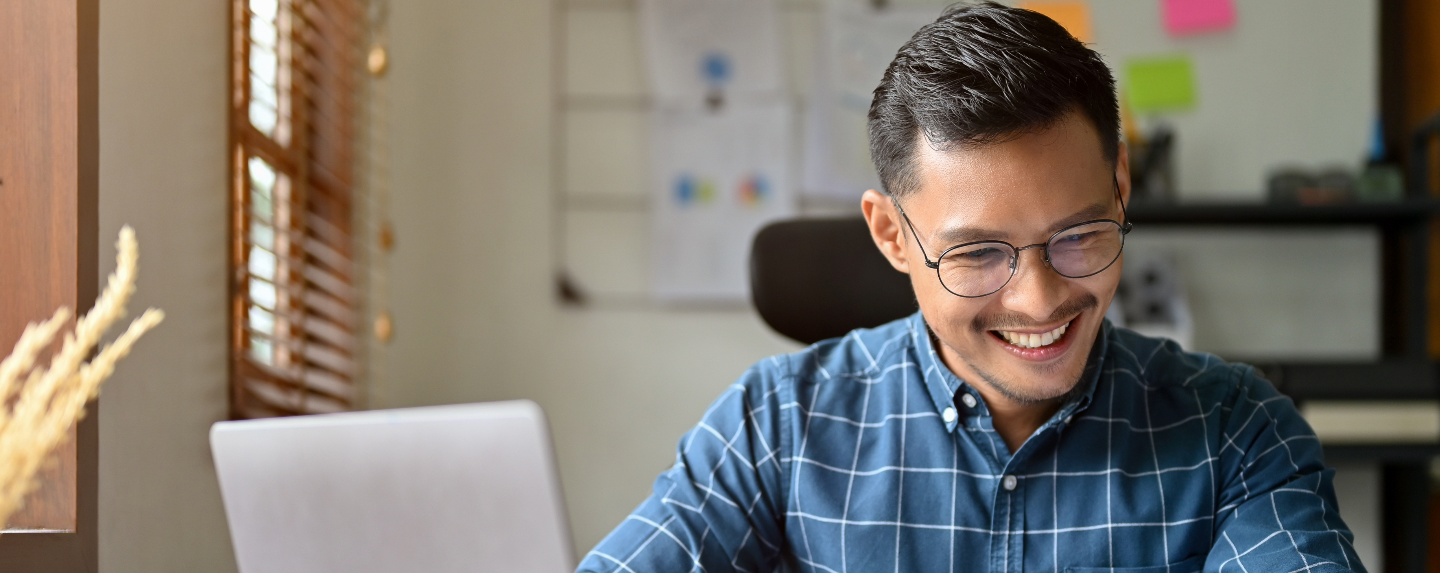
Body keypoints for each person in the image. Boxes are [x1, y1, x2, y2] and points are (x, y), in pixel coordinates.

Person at [576, 3, 1363, 572]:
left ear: (1121, 186)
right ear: (892, 235)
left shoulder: (1234, 430)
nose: (1039, 299)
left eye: (1078, 235)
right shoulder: (778, 424)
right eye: (980, 252)